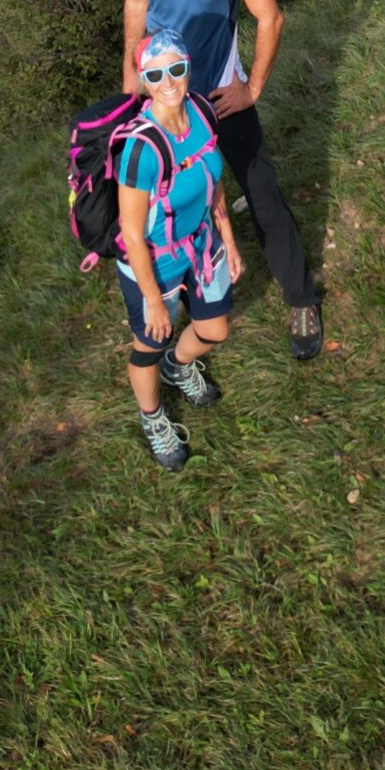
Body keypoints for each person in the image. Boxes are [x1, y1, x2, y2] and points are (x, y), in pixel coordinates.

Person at [123, 0, 323, 360]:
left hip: (216, 93)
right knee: (164, 202)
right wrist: (132, 69)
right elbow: (136, 0)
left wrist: (251, 88)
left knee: (261, 192)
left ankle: (300, 299)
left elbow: (269, 14)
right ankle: (184, 293)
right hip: (163, 96)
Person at [116, 32, 243, 473]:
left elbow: (214, 178)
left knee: (215, 329)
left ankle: (179, 365)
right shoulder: (140, 151)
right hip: (156, 262)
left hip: (203, 242)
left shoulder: (203, 112)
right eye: (155, 74)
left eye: (175, 69)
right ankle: (153, 418)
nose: (168, 81)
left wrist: (227, 236)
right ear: (144, 81)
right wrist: (153, 299)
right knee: (149, 343)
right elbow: (132, 234)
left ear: (187, 66)